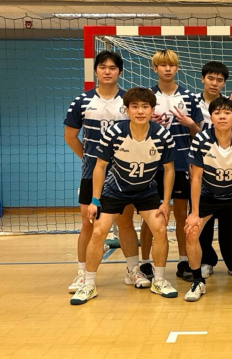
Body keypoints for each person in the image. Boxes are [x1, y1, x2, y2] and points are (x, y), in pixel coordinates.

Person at [70, 87, 178, 305]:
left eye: (145, 107)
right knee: (98, 231)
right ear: (126, 110)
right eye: (135, 107)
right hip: (115, 188)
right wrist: (95, 200)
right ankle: (88, 284)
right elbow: (100, 167)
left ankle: (158, 280)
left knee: (160, 229)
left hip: (146, 189)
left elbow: (169, 169)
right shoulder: (114, 133)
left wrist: (166, 202)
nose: (140, 111)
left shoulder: (162, 135)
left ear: (152, 110)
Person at [64, 51, 143, 295]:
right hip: (92, 175)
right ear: (96, 70)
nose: (107, 71)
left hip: (122, 176)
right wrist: (90, 161)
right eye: (102, 67)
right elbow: (70, 136)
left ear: (120, 72)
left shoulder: (128, 102)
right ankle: (82, 274)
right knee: (88, 225)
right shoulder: (81, 101)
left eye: (112, 67)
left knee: (125, 223)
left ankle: (133, 270)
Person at [184, 97, 232, 302]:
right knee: (191, 230)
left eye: (227, 113)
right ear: (211, 117)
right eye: (217, 112)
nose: (222, 116)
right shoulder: (201, 139)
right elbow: (196, 177)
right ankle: (197, 281)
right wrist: (194, 212)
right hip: (208, 195)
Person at [139, 50, 203, 282]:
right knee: (150, 216)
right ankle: (145, 263)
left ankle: (183, 261)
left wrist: (189, 124)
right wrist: (147, 123)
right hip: (151, 164)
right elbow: (135, 130)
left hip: (181, 163)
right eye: (163, 65)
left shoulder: (189, 97)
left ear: (177, 68)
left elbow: (199, 134)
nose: (167, 69)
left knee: (181, 214)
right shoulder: (146, 97)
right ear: (154, 68)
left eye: (172, 65)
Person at [192, 62, 232, 280]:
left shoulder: (231, 104)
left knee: (230, 220)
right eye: (211, 78)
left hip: (229, 168)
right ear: (202, 78)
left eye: (220, 80)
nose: (215, 83)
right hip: (202, 166)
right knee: (203, 218)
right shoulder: (192, 102)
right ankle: (206, 260)